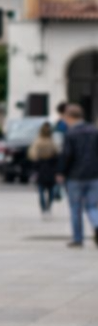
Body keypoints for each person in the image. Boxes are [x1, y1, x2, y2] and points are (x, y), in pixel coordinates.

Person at [56, 102, 98, 248]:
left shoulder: (71, 133)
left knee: (75, 208)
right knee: (92, 206)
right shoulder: (94, 131)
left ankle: (78, 239)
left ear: (69, 117)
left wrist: (61, 172)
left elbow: (67, 155)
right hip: (94, 175)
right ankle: (97, 223)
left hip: (75, 176)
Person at [27, 124, 61, 219]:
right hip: (51, 169)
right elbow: (57, 155)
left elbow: (32, 155)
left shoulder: (37, 142)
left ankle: (43, 209)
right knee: (50, 191)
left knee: (41, 190)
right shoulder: (52, 142)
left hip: (41, 169)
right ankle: (49, 208)